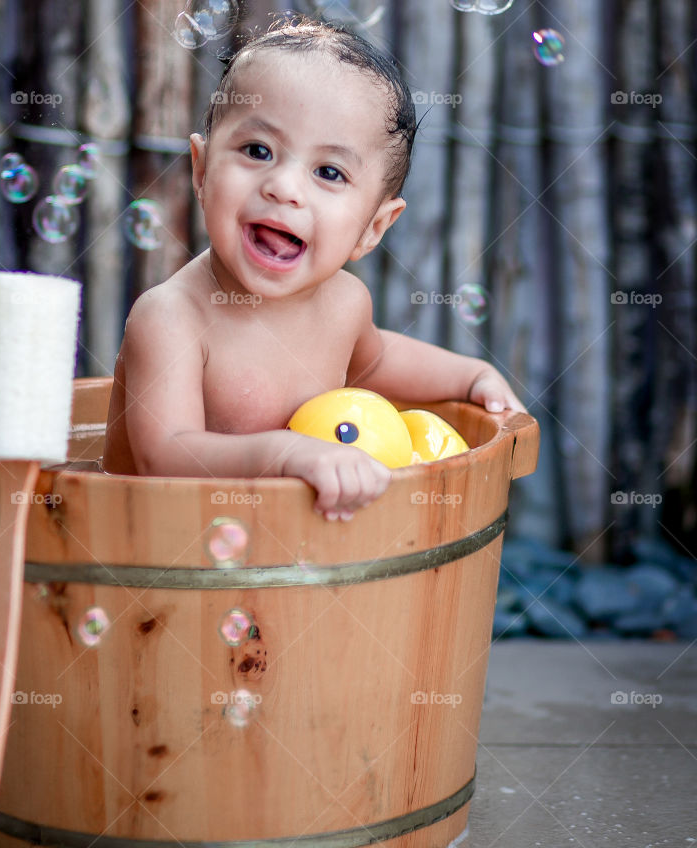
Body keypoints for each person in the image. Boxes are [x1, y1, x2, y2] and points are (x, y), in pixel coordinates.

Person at [102, 15, 525, 521]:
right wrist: (282, 454)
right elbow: (162, 458)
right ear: (201, 168)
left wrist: (469, 375)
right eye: (257, 151)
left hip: (279, 560)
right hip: (155, 555)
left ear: (374, 227)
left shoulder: (345, 304)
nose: (284, 186)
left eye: (329, 172)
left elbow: (376, 363)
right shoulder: (171, 317)